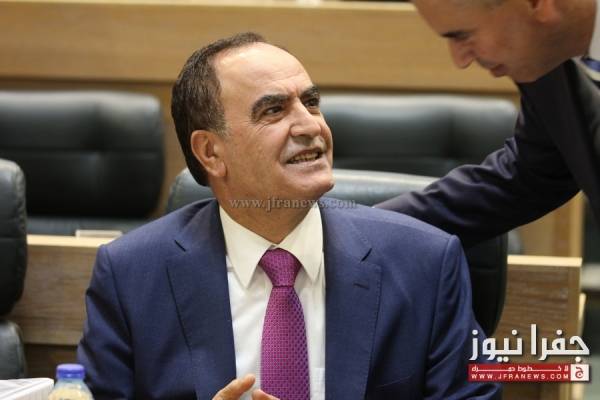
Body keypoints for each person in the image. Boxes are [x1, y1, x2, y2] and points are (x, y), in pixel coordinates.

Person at [77, 33, 500, 399]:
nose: (310, 126)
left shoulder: (425, 262)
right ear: (211, 152)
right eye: (274, 111)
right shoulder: (132, 274)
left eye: (311, 103)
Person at [379, 0, 600, 247]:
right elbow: (530, 175)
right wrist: (366, 229)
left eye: (463, 35)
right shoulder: (546, 55)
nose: (460, 60)